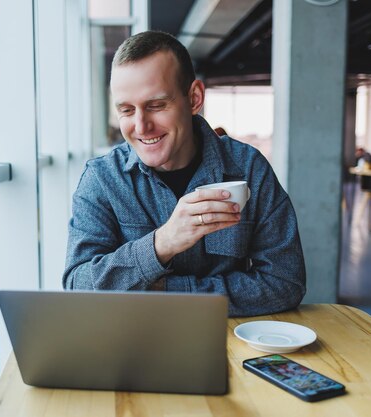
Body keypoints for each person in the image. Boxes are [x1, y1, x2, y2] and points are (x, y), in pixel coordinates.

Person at [63, 31, 305, 316]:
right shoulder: (102, 179)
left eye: (156, 106)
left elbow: (285, 282)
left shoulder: (248, 167)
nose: (141, 127)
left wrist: (168, 292)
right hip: (133, 345)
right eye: (127, 110)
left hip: (227, 341)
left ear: (193, 98)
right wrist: (162, 243)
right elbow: (78, 286)